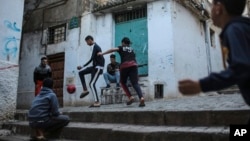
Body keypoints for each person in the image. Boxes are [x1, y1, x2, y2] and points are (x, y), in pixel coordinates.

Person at [178, 0, 250, 123]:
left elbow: (241, 68)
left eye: (212, 5)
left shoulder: (234, 29)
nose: (210, 9)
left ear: (218, 8)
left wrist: (201, 85)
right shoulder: (242, 27)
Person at [98, 37, 145, 107]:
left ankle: (130, 97)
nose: (121, 44)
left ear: (123, 43)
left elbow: (112, 50)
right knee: (135, 83)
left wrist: (102, 53)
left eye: (121, 43)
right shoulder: (132, 49)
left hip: (125, 65)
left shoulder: (121, 47)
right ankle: (141, 98)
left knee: (123, 83)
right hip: (134, 65)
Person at [77, 35, 105, 107]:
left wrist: (82, 66)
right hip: (94, 67)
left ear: (90, 40)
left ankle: (97, 102)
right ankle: (85, 90)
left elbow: (92, 58)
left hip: (98, 68)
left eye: (87, 42)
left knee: (92, 84)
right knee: (81, 73)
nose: (87, 44)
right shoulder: (94, 47)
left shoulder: (96, 47)